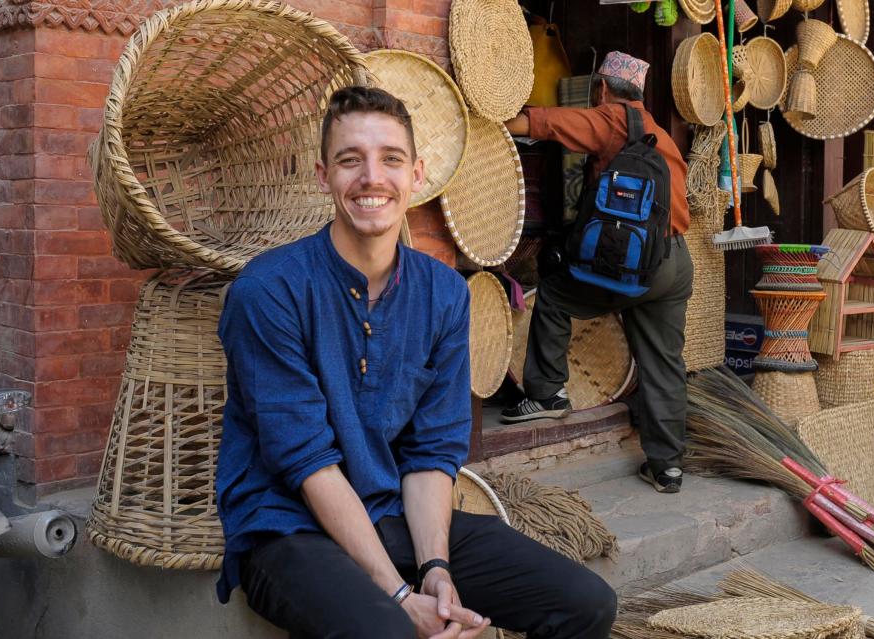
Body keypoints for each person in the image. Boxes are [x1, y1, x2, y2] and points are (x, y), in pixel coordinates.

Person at [215, 86, 616, 639]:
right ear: (322, 175)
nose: (371, 178)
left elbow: (431, 452)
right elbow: (306, 463)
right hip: (287, 527)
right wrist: (400, 596)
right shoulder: (270, 290)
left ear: (418, 174)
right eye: (350, 160)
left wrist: (436, 570)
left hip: (394, 515)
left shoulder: (444, 294)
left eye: (391, 159)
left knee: (586, 603)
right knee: (390, 633)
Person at [501, 52, 693, 494]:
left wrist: (490, 117)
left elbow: (540, 125)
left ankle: (547, 393)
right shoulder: (659, 134)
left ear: (603, 89)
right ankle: (668, 468)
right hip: (675, 262)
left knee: (553, 295)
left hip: (635, 262)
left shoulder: (612, 119)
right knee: (664, 362)